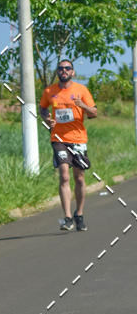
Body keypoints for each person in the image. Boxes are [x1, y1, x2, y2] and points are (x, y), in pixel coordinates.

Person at [39, 59, 97, 231]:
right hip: (58, 138)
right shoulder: (50, 91)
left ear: (73, 72)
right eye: (61, 68)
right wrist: (46, 118)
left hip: (78, 139)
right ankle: (67, 218)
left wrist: (82, 105)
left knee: (79, 177)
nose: (64, 71)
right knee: (64, 175)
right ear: (57, 72)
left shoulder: (81, 90)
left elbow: (94, 112)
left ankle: (79, 214)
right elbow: (42, 108)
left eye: (67, 68)